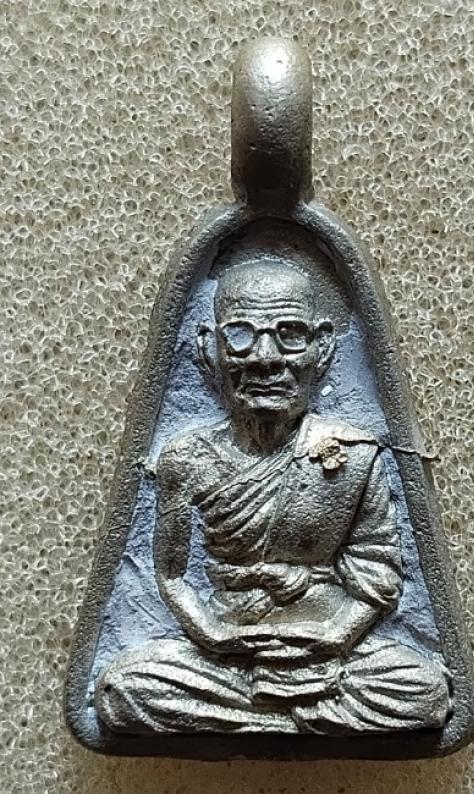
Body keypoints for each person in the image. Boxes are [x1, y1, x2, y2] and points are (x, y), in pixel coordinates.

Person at [95, 260, 451, 734]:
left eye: (289, 335)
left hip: (328, 649)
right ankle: (292, 720)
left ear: (322, 348)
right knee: (122, 689)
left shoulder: (354, 453)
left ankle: (261, 718)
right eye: (240, 336)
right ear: (209, 349)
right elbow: (173, 575)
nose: (265, 358)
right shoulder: (186, 457)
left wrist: (335, 636)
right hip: (227, 651)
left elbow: (379, 572)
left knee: (425, 692)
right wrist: (213, 636)